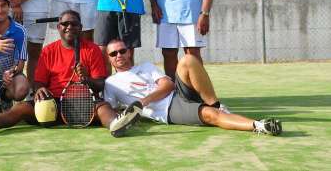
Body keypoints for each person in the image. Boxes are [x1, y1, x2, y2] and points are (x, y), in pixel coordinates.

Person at [0, 10, 142, 137]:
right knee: (22, 108)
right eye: (65, 24)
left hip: (83, 103)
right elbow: (39, 82)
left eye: (74, 24)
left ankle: (116, 124)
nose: (69, 27)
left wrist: (86, 79)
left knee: (103, 108)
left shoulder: (92, 50)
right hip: (52, 104)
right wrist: (39, 90)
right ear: (58, 27)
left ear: (80, 27)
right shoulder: (48, 50)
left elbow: (101, 83)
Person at [104, 39, 282, 135]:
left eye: (122, 51)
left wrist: (144, 101)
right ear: (109, 59)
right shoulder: (110, 83)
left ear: (129, 52)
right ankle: (260, 126)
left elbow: (168, 85)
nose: (119, 55)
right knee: (211, 116)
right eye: (113, 53)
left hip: (176, 93)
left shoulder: (146, 67)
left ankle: (216, 105)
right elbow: (111, 109)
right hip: (168, 110)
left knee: (188, 60)